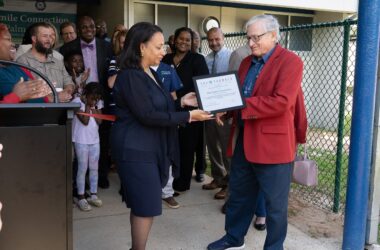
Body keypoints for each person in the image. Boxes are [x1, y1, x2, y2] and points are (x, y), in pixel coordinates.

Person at [207, 14, 307, 250]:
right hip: (243, 140)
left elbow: (281, 102)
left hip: (274, 147)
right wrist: (227, 110)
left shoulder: (291, 62)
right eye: (248, 37)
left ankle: (274, 247)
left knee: (275, 205)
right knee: (239, 196)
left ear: (274, 35)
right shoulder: (245, 62)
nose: (250, 43)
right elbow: (237, 95)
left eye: (256, 37)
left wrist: (239, 104)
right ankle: (233, 238)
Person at [110, 22, 212, 250]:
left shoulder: (148, 73)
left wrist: (181, 102)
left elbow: (158, 106)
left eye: (163, 46)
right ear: (141, 47)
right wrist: (187, 116)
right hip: (136, 150)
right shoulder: (130, 76)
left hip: (149, 147)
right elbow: (147, 115)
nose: (164, 51)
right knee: (145, 206)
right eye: (158, 47)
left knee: (144, 205)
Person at [61, 16, 113, 189]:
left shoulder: (106, 45)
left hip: (101, 97)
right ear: (79, 29)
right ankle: (78, 183)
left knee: (102, 138)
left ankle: (101, 177)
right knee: (81, 140)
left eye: (91, 26)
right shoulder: (68, 48)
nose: (89, 30)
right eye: (84, 27)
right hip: (80, 96)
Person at [162, 27, 210, 194]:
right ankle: (167, 181)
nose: (183, 42)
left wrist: (183, 98)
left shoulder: (197, 59)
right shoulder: (166, 58)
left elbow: (203, 84)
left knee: (186, 147)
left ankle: (181, 183)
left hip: (190, 110)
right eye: (181, 38)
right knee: (169, 146)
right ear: (174, 40)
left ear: (192, 43)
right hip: (168, 108)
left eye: (187, 40)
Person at [202, 27, 232, 200]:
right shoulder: (207, 59)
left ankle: (229, 184)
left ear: (223, 38)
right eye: (210, 40)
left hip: (226, 110)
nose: (214, 43)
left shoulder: (231, 57)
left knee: (226, 147)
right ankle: (218, 178)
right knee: (212, 145)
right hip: (209, 109)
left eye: (217, 39)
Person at [151, 62, 183, 209]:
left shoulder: (168, 69)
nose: (161, 51)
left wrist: (175, 117)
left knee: (169, 155)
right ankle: (151, 191)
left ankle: (167, 192)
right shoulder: (139, 69)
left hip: (168, 120)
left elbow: (174, 95)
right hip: (149, 120)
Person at [16, 22, 74, 102]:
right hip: (36, 111)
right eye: (45, 36)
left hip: (60, 110)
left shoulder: (58, 62)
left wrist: (67, 92)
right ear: (34, 39)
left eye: (52, 35)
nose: (49, 39)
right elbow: (23, 92)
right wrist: (54, 98)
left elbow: (69, 83)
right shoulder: (23, 61)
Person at [72, 82, 104, 211]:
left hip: (95, 140)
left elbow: (100, 121)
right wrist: (86, 105)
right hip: (81, 140)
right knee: (82, 168)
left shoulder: (97, 103)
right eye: (92, 97)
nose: (95, 100)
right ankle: (80, 196)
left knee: (94, 168)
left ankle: (93, 194)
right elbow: (84, 121)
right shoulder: (76, 102)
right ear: (85, 95)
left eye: (97, 98)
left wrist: (94, 105)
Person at [0, 23, 48, 104]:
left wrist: (49, 97)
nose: (13, 44)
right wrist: (15, 96)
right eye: (8, 39)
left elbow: (39, 96)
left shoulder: (20, 67)